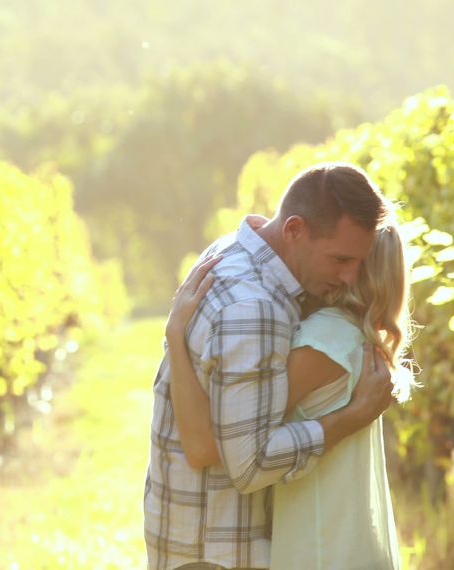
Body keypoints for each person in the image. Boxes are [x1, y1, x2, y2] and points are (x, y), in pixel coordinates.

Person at [143, 162, 397, 570]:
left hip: (188, 540)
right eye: (340, 259)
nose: (351, 277)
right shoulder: (256, 309)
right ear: (294, 230)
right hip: (221, 552)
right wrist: (352, 417)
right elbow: (249, 463)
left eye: (358, 262)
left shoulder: (230, 251)